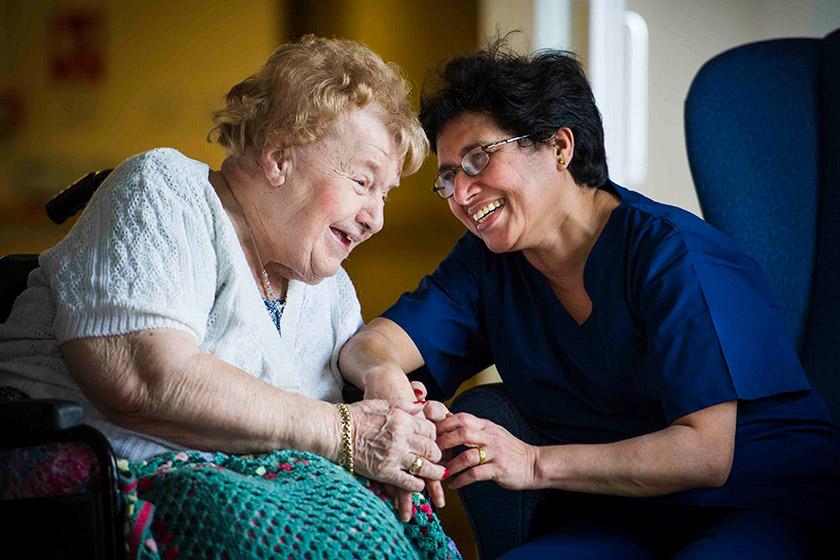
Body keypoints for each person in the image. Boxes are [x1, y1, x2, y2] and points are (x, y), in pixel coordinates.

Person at [339, 41, 840, 559]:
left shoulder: (675, 257)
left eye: (478, 159)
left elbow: (706, 454)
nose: (462, 195)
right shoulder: (486, 262)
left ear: (559, 146)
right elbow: (371, 345)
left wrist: (534, 463)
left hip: (758, 505)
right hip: (622, 513)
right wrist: (382, 377)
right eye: (449, 178)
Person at [0, 35, 461, 560]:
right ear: (279, 156)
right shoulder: (164, 190)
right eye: (362, 181)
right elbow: (143, 379)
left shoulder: (329, 292)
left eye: (385, 195)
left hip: (244, 490)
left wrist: (402, 434)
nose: (375, 218)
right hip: (92, 490)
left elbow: (345, 423)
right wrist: (348, 432)